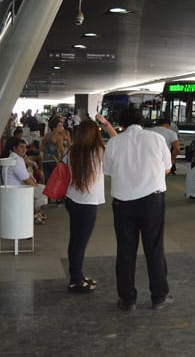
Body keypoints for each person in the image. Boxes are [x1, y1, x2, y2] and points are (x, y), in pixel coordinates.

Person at [102, 107, 173, 311]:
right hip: (153, 201)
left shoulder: (114, 143)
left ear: (122, 124)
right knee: (155, 248)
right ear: (142, 122)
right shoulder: (157, 139)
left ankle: (128, 299)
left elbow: (107, 170)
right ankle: (159, 297)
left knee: (125, 250)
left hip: (123, 203)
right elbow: (167, 168)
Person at [64, 117, 117, 294]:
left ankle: (77, 275)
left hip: (72, 199)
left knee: (75, 240)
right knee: (80, 243)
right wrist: (107, 124)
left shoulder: (73, 150)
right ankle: (75, 281)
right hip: (87, 204)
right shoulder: (99, 151)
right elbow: (117, 141)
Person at [2, 137, 48, 225]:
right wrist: (36, 188)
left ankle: (35, 213)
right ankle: (34, 214)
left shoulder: (16, 157)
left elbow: (27, 177)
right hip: (16, 190)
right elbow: (27, 180)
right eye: (21, 147)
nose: (24, 149)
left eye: (25, 147)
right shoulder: (16, 160)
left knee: (42, 189)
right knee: (43, 191)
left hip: (15, 188)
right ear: (14, 148)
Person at [43, 117, 69, 183]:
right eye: (59, 126)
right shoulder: (58, 136)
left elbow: (41, 148)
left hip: (45, 161)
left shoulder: (46, 136)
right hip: (54, 161)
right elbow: (61, 150)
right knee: (55, 183)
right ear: (54, 128)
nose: (62, 127)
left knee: (48, 183)